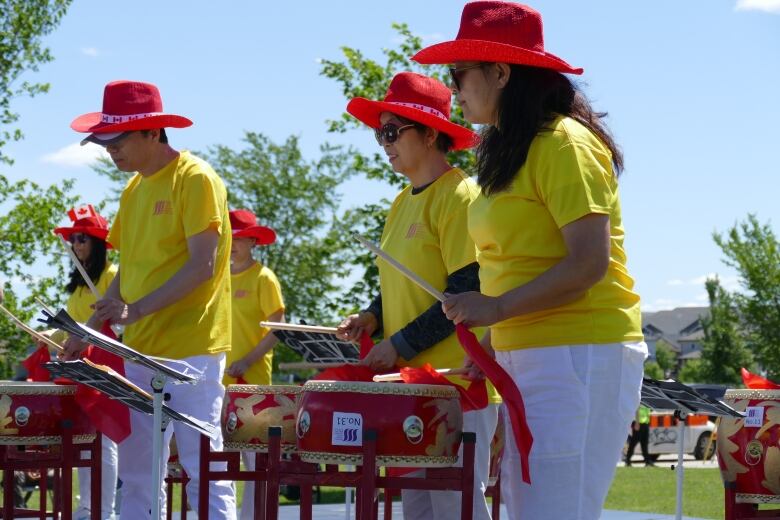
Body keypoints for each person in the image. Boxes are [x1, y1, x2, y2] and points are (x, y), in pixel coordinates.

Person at [417, 2, 648, 518]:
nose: (453, 87)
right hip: (534, 356)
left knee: (551, 510)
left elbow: (589, 263)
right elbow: (513, 265)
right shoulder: (510, 149)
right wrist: (489, 352)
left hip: (578, 352)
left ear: (501, 72)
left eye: (459, 74)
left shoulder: (564, 143)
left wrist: (495, 311)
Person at [64, 80, 236, 519]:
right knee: (139, 473)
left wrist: (134, 310)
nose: (109, 149)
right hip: (139, 350)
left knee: (204, 469)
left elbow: (202, 264)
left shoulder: (194, 177)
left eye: (116, 139)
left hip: (193, 350)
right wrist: (93, 328)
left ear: (153, 132)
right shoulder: (133, 190)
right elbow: (129, 269)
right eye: (103, 140)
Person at [336, 71, 500, 520]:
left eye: (393, 131)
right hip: (413, 384)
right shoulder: (400, 201)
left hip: (456, 383)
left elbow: (467, 291)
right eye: (379, 132)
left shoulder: (460, 195)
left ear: (430, 134)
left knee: (456, 506)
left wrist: (398, 345)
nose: (384, 142)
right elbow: (402, 282)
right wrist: (371, 318)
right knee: (420, 511)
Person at [53, 206, 120, 519]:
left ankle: (102, 511)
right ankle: (85, 507)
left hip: (106, 369)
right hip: (80, 369)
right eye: (74, 239)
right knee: (84, 439)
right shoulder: (78, 285)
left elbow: (117, 326)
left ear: (98, 243)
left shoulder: (112, 276)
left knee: (104, 440)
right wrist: (51, 336)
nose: (77, 245)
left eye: (82, 239)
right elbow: (72, 326)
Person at [223, 208, 284, 520]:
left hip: (254, 383)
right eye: (228, 236)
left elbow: (278, 330)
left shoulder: (264, 277)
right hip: (219, 383)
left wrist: (247, 360)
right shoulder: (217, 278)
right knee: (221, 461)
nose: (232, 242)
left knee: (254, 462)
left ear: (252, 241)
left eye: (239, 237)